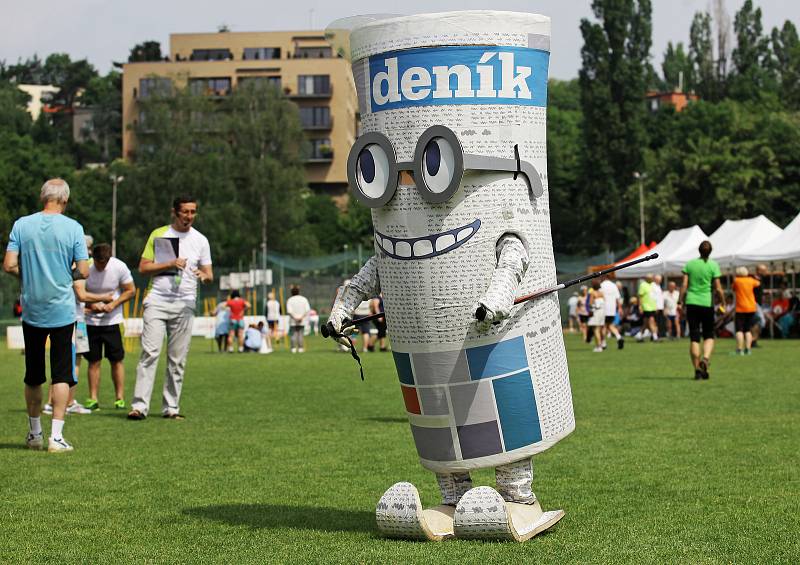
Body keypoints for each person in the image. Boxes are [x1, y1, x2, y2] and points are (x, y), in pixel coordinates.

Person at [3, 178, 89, 452]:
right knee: (62, 374)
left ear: (43, 198)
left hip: (32, 308)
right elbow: (84, 272)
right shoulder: (73, 228)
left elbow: (8, 265)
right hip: (62, 310)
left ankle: (35, 434)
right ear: (64, 199)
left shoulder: (21, 225)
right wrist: (67, 275)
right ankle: (57, 437)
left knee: (33, 374)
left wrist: (28, 274)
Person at [128, 195, 213, 420]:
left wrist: (204, 276)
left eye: (193, 212)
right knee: (150, 353)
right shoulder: (159, 234)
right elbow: (143, 267)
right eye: (185, 212)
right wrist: (169, 263)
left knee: (177, 359)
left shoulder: (201, 240)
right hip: (156, 300)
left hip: (185, 303)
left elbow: (209, 274)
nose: (189, 216)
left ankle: (171, 407)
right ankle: (139, 407)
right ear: (174, 212)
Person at [83, 243, 136, 410]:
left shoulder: (119, 266)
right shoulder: (86, 268)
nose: (101, 265)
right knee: (93, 361)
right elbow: (78, 294)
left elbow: (130, 290)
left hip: (113, 322)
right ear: (93, 258)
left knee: (116, 361)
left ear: (109, 258)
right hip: (91, 322)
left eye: (104, 262)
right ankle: (93, 398)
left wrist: (114, 304)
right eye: (99, 262)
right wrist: (92, 306)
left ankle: (119, 398)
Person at [678, 240, 725, 380]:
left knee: (694, 337)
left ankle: (697, 369)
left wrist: (680, 301)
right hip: (706, 303)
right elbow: (718, 288)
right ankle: (705, 358)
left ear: (698, 250)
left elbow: (684, 285)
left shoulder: (690, 264)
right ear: (710, 252)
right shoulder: (713, 265)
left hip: (692, 302)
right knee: (709, 335)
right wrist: (722, 301)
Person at [732, 266, 760, 355]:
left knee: (739, 330)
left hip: (740, 308)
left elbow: (733, 289)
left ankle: (739, 349)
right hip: (751, 307)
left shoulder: (736, 281)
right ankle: (748, 349)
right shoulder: (751, 280)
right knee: (747, 330)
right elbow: (758, 283)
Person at [599, 275, 624, 349]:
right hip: (612, 309)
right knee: (610, 325)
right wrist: (619, 308)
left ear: (604, 277)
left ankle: (603, 343)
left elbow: (599, 296)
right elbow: (617, 298)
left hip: (604, 309)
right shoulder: (614, 285)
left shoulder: (601, 285)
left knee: (603, 326)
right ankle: (619, 337)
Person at [286, 285, 311, 353]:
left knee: (293, 334)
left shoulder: (290, 300)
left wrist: (295, 318)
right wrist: (301, 317)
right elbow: (307, 310)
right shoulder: (304, 299)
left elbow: (289, 311)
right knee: (300, 334)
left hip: (293, 320)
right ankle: (300, 348)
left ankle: (293, 348)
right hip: (302, 320)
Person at [637, 274, 659, 342]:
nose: (652, 279)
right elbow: (640, 296)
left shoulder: (653, 285)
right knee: (651, 322)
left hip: (652, 307)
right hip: (646, 307)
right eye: (651, 278)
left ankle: (640, 336)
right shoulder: (643, 285)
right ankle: (655, 337)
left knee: (645, 323)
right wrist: (640, 306)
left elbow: (655, 296)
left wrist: (656, 306)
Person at [587, 280, 605, 352]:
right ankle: (603, 343)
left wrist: (590, 309)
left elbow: (590, 303)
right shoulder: (602, 293)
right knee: (601, 328)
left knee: (596, 329)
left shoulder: (592, 293)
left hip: (596, 312)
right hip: (602, 311)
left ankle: (599, 346)